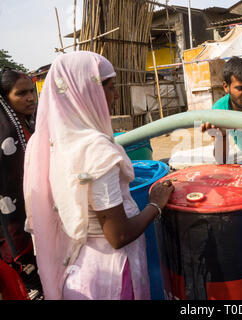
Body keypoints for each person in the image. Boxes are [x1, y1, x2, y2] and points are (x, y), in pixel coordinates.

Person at [23, 51, 174, 300]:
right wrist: (155, 204)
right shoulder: (95, 150)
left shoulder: (49, 142)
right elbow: (118, 235)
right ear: (87, 91)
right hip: (109, 277)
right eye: (111, 87)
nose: (115, 95)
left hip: (77, 268)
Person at [0, 68, 44, 300]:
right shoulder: (4, 134)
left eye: (31, 92)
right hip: (12, 219)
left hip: (37, 212)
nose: (30, 98)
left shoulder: (29, 123)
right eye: (21, 94)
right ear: (5, 98)